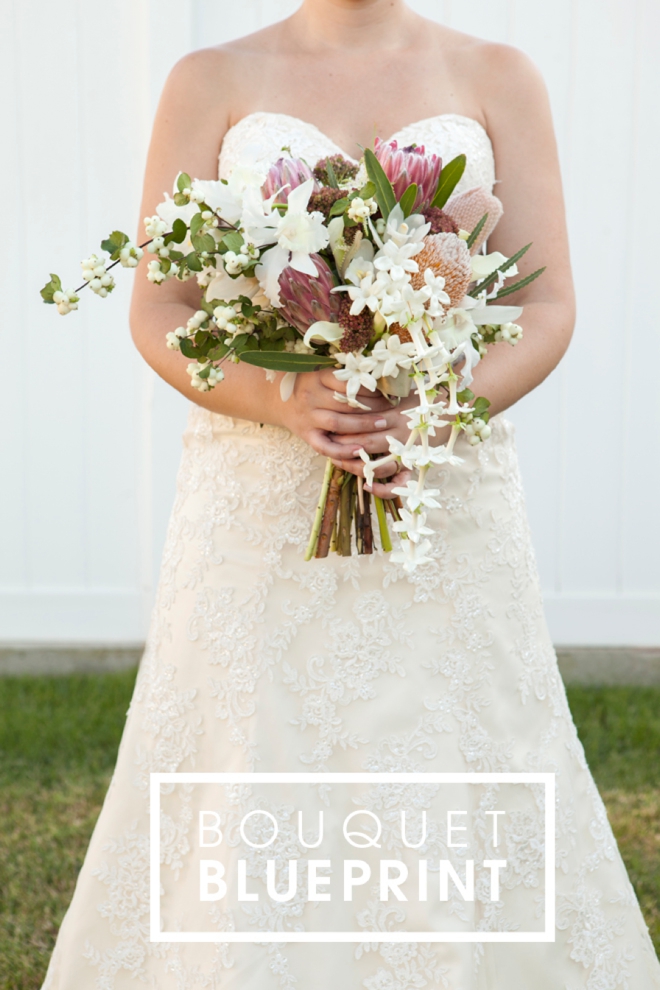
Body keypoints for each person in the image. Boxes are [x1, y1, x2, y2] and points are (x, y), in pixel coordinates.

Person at [41, 1, 660, 988]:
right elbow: (160, 309)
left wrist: (435, 413)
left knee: (458, 740)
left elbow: (545, 306)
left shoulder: (499, 73)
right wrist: (282, 399)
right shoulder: (209, 80)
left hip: (440, 483)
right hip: (258, 489)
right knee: (251, 747)